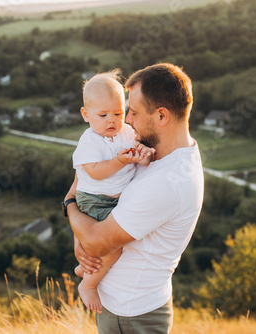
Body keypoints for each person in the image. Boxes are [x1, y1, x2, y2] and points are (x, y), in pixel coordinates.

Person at [63, 63, 204, 334]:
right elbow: (86, 178)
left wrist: (69, 206)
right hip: (127, 306)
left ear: (161, 116)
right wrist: (78, 227)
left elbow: (94, 242)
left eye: (133, 112)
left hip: (131, 314)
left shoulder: (166, 182)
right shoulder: (163, 152)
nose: (126, 120)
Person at [71, 70, 155, 314]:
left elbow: (139, 149)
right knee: (112, 247)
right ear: (86, 115)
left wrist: (143, 155)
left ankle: (85, 267)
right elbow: (95, 172)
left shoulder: (126, 133)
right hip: (94, 200)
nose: (112, 121)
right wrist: (120, 162)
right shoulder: (89, 141)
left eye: (118, 113)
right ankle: (88, 284)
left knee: (118, 240)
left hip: (115, 201)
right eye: (103, 115)